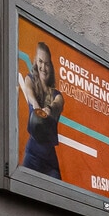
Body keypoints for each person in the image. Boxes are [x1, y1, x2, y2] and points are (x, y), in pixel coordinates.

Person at [19, 43, 65, 180]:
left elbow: (58, 104)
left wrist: (49, 109)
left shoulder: (58, 95)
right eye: (40, 61)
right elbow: (29, 92)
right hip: (32, 154)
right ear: (35, 62)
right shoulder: (30, 80)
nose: (43, 67)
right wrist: (36, 105)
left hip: (50, 161)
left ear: (51, 66)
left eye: (46, 63)